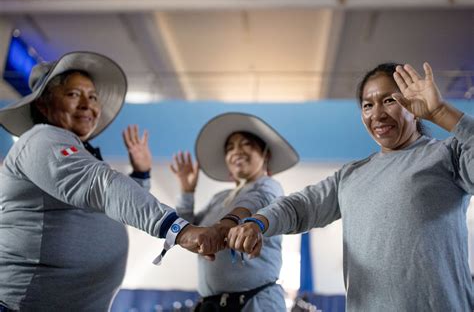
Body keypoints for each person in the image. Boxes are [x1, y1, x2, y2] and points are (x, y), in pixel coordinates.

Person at [227, 62, 474, 311]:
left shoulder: (447, 155)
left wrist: (441, 112)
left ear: (414, 107)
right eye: (368, 105)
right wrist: (258, 222)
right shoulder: (351, 175)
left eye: (389, 100)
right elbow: (300, 206)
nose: (377, 114)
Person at [0, 51, 223, 311]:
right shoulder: (41, 139)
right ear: (43, 104)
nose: (87, 104)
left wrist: (140, 174)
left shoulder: (75, 151)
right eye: (73, 94)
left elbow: (111, 208)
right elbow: (102, 186)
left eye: (93, 96)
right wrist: (178, 229)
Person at [170, 112, 299, 311]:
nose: (236, 151)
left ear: (266, 154)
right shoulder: (219, 198)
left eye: (246, 144)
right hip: (212, 305)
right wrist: (187, 192)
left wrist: (227, 222)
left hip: (255, 303)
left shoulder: (269, 186)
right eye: (230, 148)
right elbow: (186, 232)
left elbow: (255, 201)